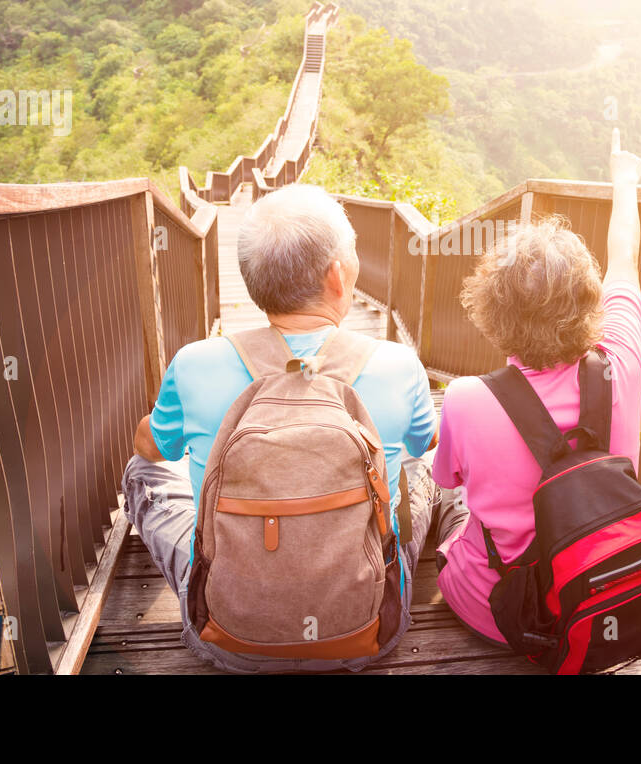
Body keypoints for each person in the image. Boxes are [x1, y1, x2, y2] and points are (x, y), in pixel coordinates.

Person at [124, 183, 438, 672]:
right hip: (369, 629)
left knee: (141, 472)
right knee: (420, 470)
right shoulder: (398, 364)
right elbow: (426, 442)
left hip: (230, 640)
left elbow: (152, 447)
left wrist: (161, 432)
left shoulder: (194, 363)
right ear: (338, 275)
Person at [430, 128, 641, 646]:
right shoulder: (623, 362)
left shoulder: (465, 399)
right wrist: (625, 179)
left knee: (451, 501)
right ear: (588, 298)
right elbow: (625, 258)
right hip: (598, 602)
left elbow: (448, 480)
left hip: (501, 615)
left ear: (493, 312)